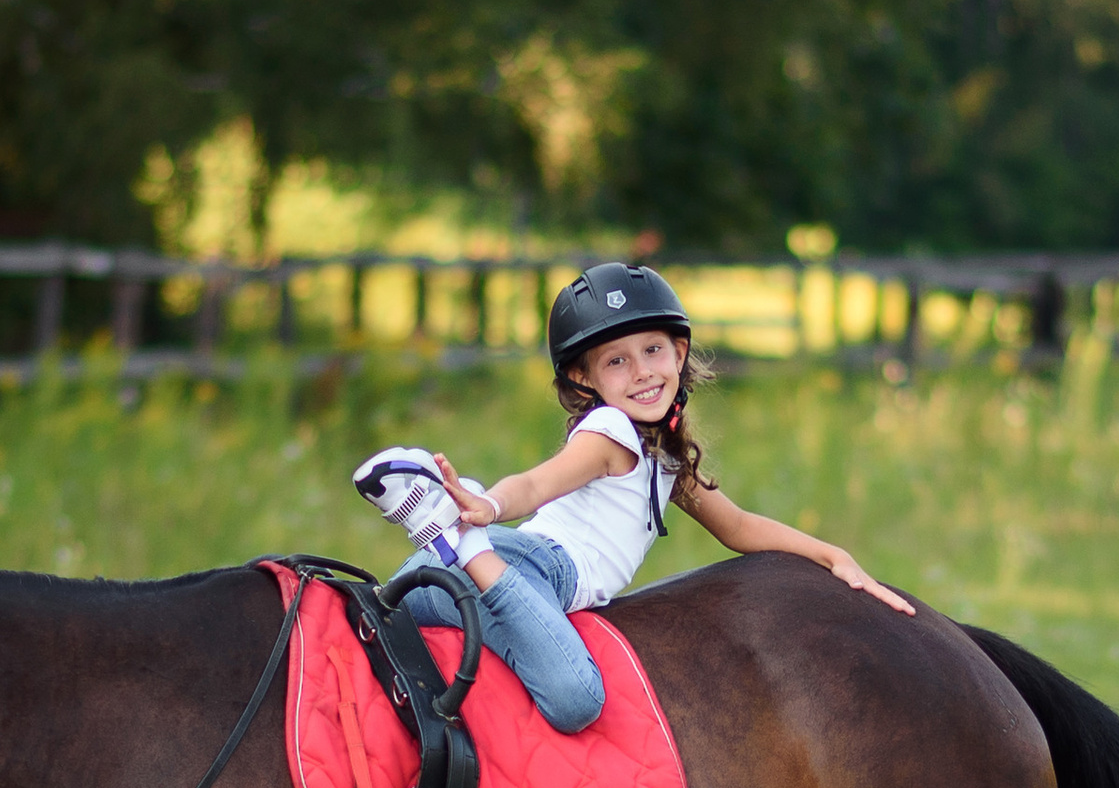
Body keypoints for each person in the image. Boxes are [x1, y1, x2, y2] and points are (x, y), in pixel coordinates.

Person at [352, 263, 912, 732]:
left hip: (447, 586)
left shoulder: (662, 457)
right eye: (617, 360)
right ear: (584, 376)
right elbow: (537, 483)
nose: (642, 372)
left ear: (679, 352)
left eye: (652, 350)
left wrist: (831, 555)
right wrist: (488, 508)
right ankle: (462, 536)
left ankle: (455, 538)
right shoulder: (612, 433)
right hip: (523, 569)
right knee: (576, 700)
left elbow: (738, 526)